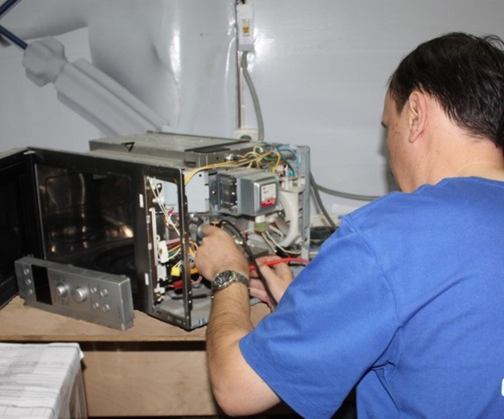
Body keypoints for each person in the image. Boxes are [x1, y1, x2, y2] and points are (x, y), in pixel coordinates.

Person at [194, 32, 504, 418]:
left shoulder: (392, 235)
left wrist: (229, 274)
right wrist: (318, 310)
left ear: (416, 115)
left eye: (387, 125)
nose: (388, 148)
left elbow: (236, 389)